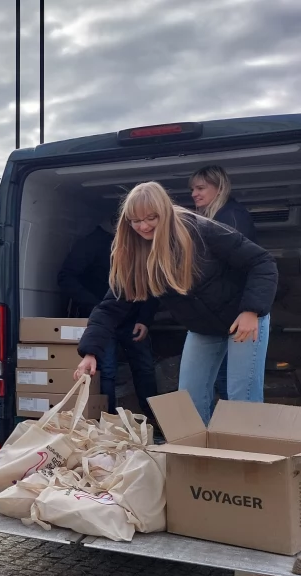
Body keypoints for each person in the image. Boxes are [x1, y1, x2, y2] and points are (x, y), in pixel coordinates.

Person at [75, 182, 277, 424]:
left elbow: (261, 262)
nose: (143, 226)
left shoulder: (200, 230)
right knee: (189, 400)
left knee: (241, 397)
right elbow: (110, 308)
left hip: (242, 317)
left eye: (151, 218)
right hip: (203, 328)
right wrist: (90, 351)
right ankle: (198, 448)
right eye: (136, 221)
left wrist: (251, 310)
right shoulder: (135, 253)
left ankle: (247, 447)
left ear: (165, 212)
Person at [57, 221, 158, 418]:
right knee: (107, 371)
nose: (142, 227)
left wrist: (145, 318)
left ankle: (154, 420)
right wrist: (94, 305)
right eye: (135, 222)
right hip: (105, 318)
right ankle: (109, 421)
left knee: (144, 368)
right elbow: (66, 277)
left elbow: (152, 286)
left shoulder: (142, 245)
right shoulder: (92, 244)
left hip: (132, 318)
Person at [191, 165, 258, 404]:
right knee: (218, 380)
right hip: (219, 312)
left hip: (236, 311)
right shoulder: (211, 219)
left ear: (219, 188)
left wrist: (248, 308)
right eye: (193, 189)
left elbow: (245, 266)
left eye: (200, 188)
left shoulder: (231, 217)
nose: (194, 194)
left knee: (236, 386)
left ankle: (233, 426)